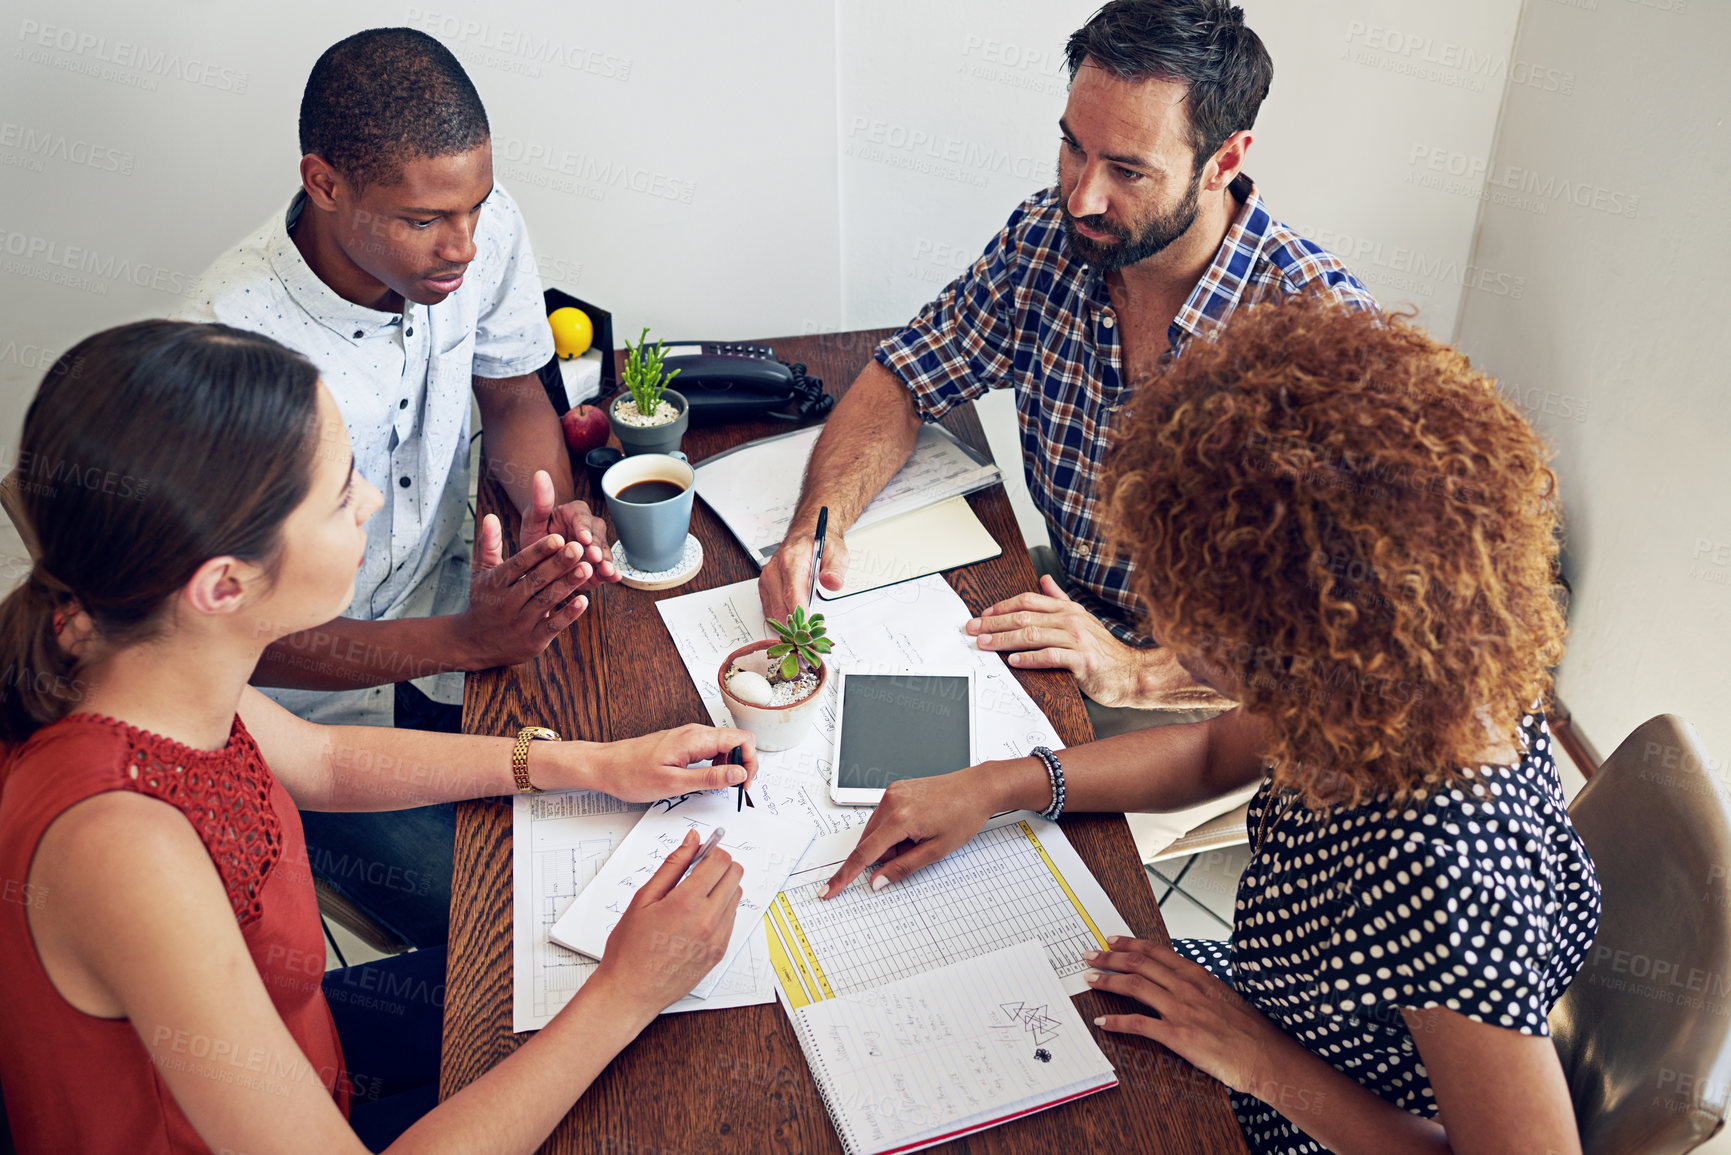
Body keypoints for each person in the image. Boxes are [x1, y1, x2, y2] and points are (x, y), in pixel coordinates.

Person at [819, 297, 1600, 1154]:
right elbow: (1207, 749)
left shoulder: (1442, 865)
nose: (1169, 638)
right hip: (1276, 1011)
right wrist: (1005, 782)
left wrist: (1254, 1057)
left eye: (1195, 618)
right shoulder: (1382, 674)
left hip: (1317, 1101)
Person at [0, 321, 754, 1153]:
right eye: (339, 492)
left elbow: (322, 759)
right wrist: (624, 991)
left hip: (309, 1044)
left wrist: (586, 762)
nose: (369, 500)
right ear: (223, 584)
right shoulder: (123, 847)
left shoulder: (147, 663)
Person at [759, 0, 1376, 740]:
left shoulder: (1324, 334)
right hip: (1069, 607)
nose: (1082, 195)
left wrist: (1136, 671)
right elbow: (905, 375)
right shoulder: (1048, 239)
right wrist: (813, 529)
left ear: (1224, 163)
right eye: (1072, 148)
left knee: (959, 818)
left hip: (1222, 708)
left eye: (1126, 170)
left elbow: (1357, 620)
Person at [177, 28, 614, 946]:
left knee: (622, 835)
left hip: (460, 622)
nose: (463, 245)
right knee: (528, 929)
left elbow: (512, 392)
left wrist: (551, 513)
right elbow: (232, 642)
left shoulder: (473, 225)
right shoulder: (230, 352)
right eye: (423, 222)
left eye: (477, 206)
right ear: (324, 183)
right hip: (303, 716)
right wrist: (458, 638)